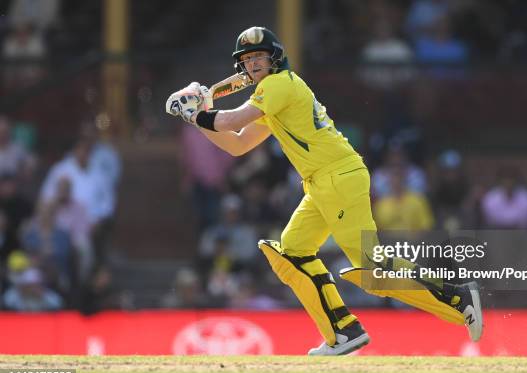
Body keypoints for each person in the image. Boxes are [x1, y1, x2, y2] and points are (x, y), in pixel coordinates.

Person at [165, 26, 482, 355]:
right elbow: (238, 143)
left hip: (338, 177)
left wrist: (197, 112)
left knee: (373, 267)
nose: (254, 63)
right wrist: (198, 119)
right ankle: (343, 331)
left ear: (274, 58)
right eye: (247, 59)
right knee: (292, 254)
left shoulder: (278, 85)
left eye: (260, 55)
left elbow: (228, 121)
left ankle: (458, 298)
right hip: (322, 182)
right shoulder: (272, 96)